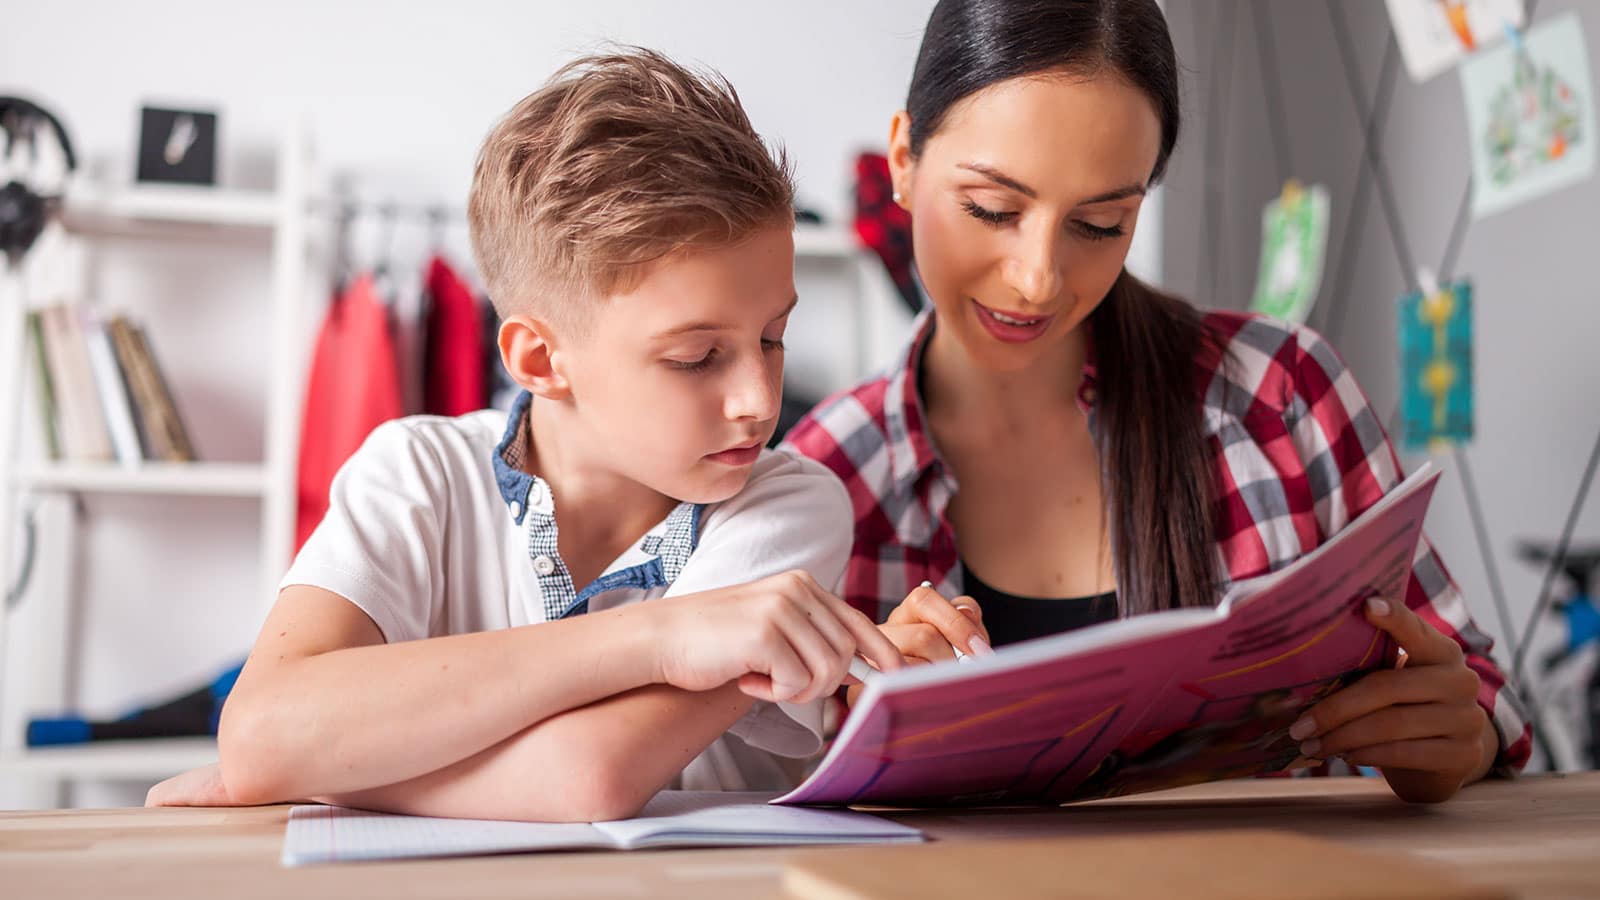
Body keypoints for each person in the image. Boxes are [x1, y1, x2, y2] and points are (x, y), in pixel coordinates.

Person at [783, 0, 1530, 803]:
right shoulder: (821, 485)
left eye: (1100, 224)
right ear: (902, 159)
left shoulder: (1280, 398)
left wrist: (1463, 731)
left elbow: (1478, 691)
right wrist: (860, 744)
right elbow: (749, 809)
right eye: (992, 210)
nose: (1038, 278)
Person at [144, 48, 900, 822]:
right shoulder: (416, 471)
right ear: (540, 359)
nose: (757, 398)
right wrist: (663, 637)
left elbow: (589, 779)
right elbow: (265, 729)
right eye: (697, 357)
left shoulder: (787, 504)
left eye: (773, 337)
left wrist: (320, 773)